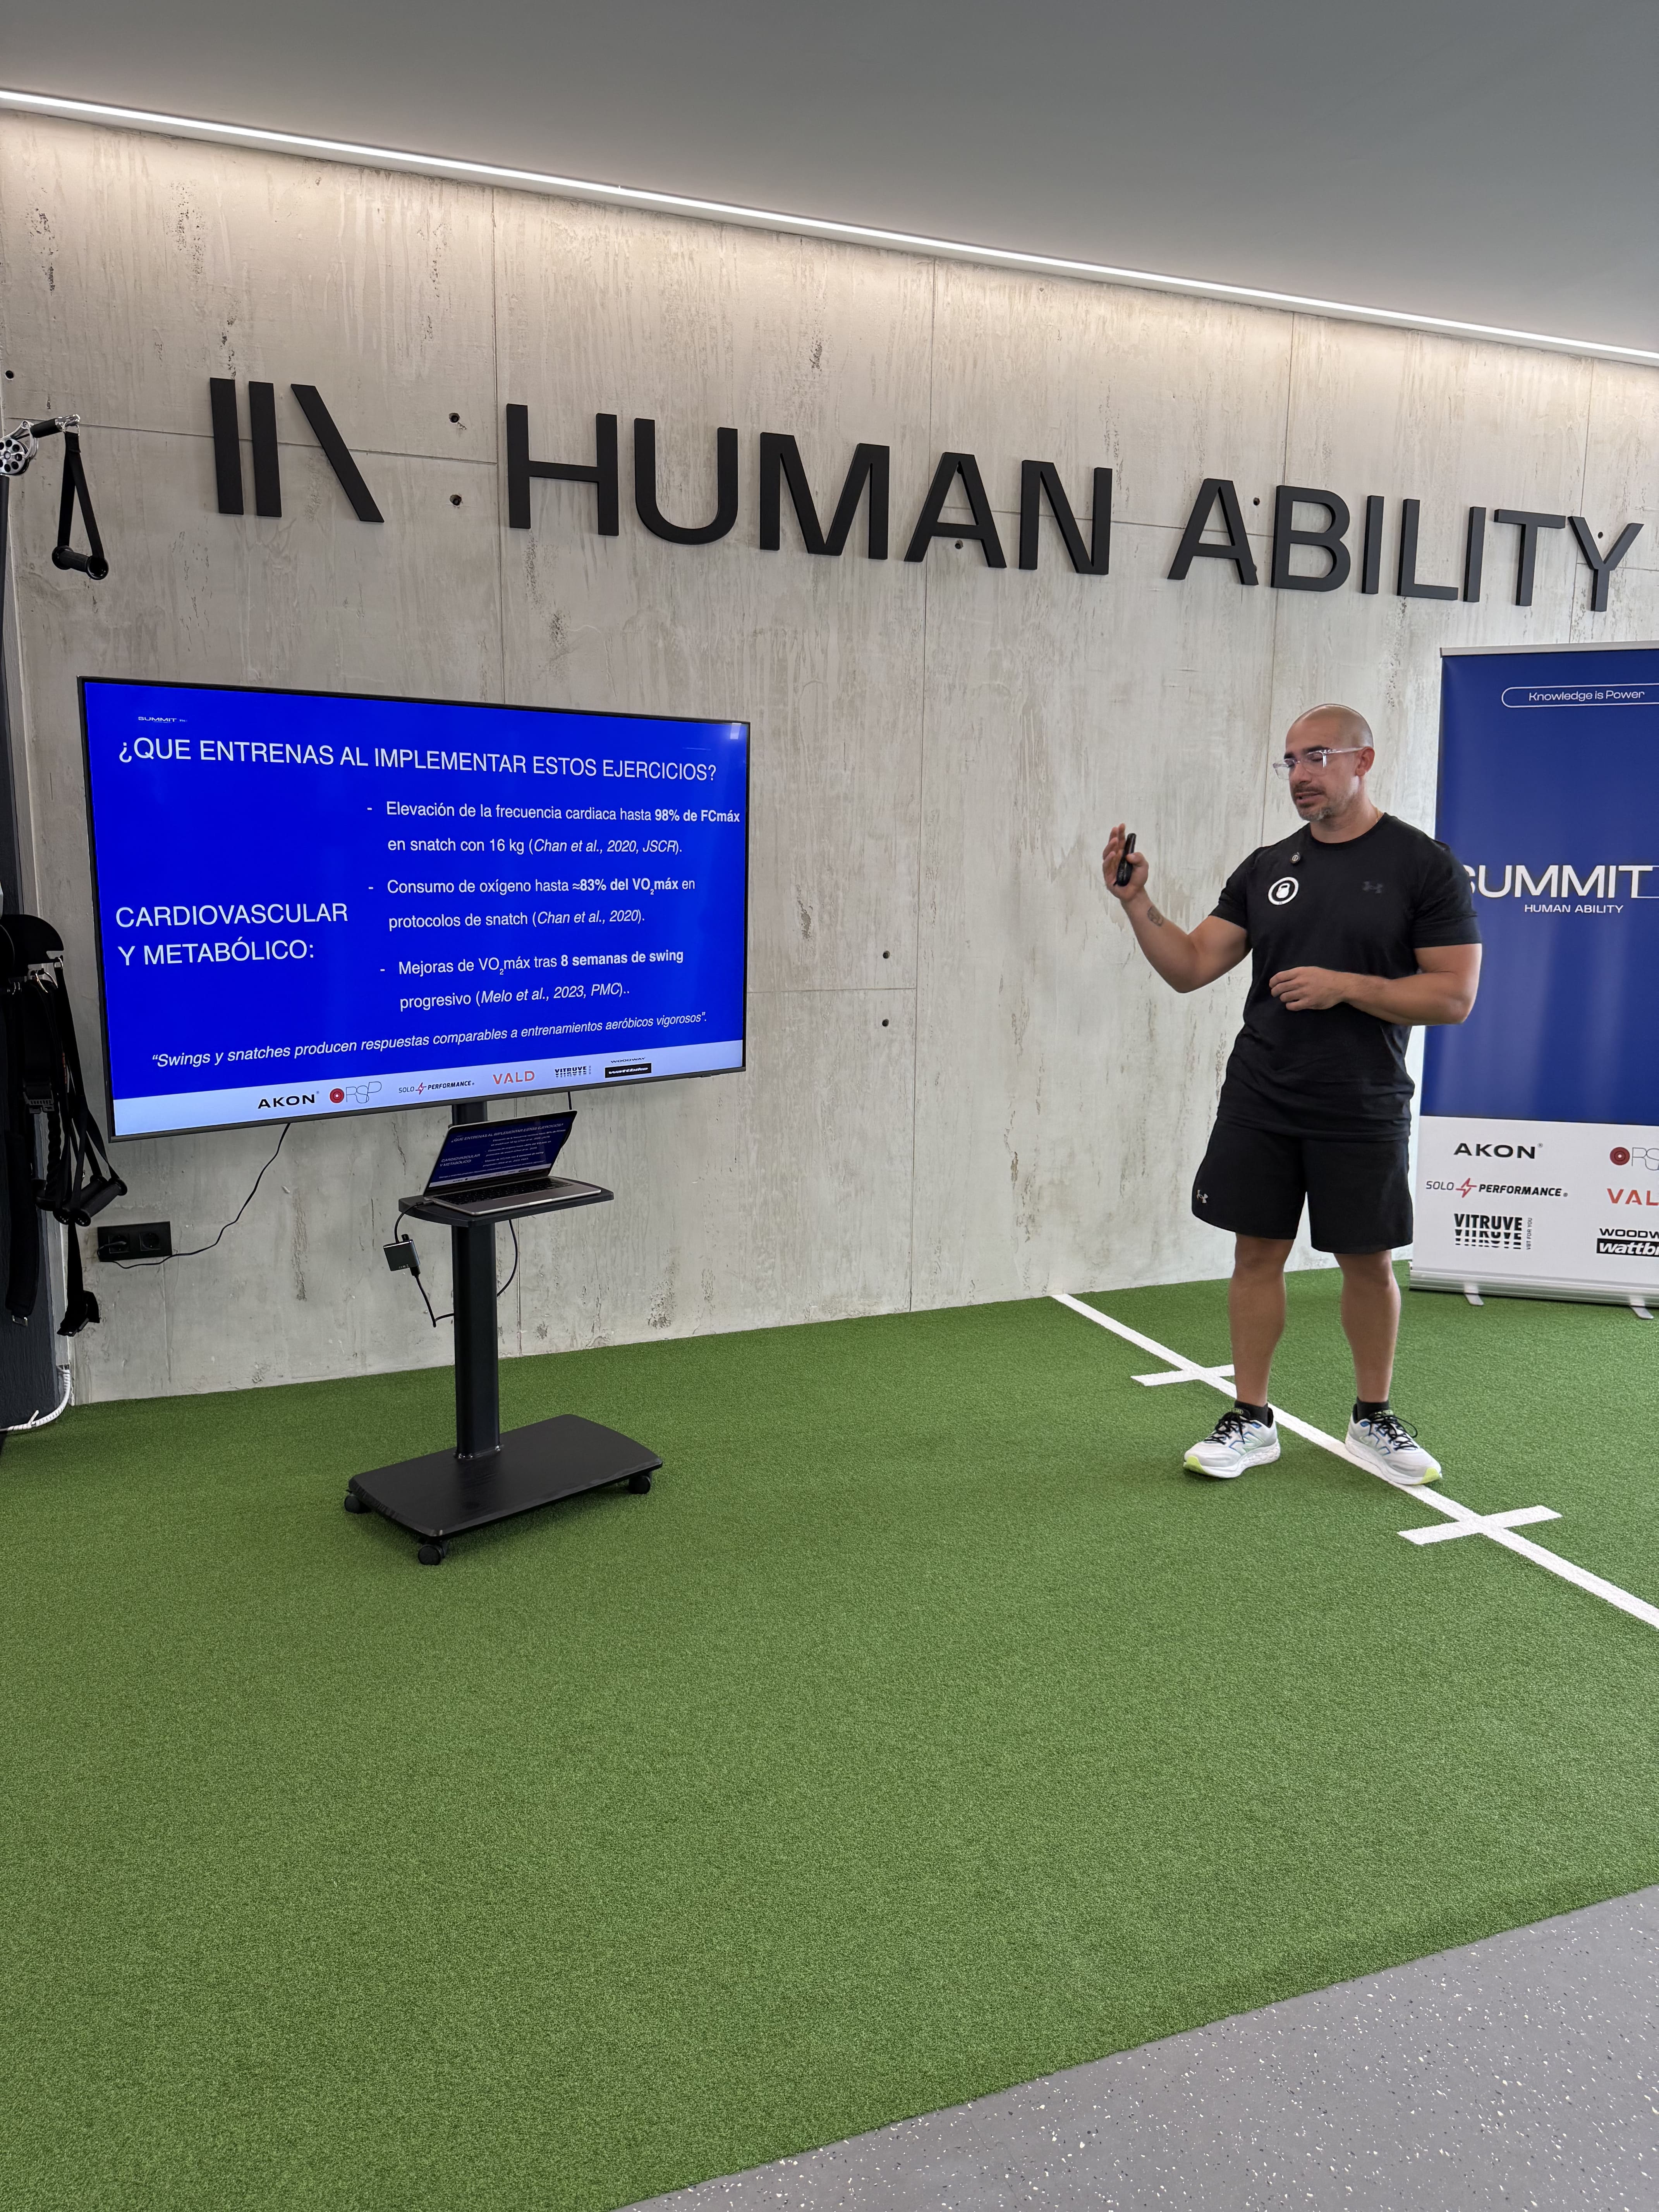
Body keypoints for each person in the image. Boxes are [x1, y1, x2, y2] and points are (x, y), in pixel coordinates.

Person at [1101, 705, 1481, 1485]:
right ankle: (1252, 1418)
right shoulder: (1268, 866)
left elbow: (1453, 996)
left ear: (1362, 761)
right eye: (1291, 761)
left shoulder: (1423, 865)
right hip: (1263, 1094)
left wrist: (1346, 986)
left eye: (1317, 757)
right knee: (1256, 1254)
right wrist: (1138, 903)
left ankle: (1373, 1418)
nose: (1301, 776)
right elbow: (1191, 966)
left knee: (1367, 1263)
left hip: (1363, 1099)